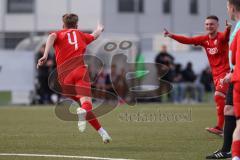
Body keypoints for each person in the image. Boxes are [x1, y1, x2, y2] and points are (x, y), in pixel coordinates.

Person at [37, 13, 111, 143]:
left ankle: (102, 133)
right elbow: (95, 35)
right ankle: (87, 117)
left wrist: (45, 55)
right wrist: (99, 28)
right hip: (80, 72)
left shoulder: (58, 34)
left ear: (63, 25)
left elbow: (52, 36)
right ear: (77, 25)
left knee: (84, 106)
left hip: (64, 78)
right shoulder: (81, 35)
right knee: (86, 105)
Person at [164, 15, 231, 136]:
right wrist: (171, 35)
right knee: (226, 101)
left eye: (212, 24)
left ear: (217, 25)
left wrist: (228, 29)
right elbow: (188, 40)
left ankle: (220, 127)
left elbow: (226, 37)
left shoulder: (221, 36)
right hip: (215, 74)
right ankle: (225, 126)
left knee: (219, 96)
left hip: (225, 72)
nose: (209, 26)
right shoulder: (204, 39)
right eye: (207, 24)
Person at [218, 0, 240, 159]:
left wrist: (232, 72)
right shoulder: (237, 26)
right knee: (229, 110)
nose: (227, 11)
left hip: (237, 76)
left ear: (232, 7)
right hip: (235, 75)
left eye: (227, 7)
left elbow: (235, 55)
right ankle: (227, 150)